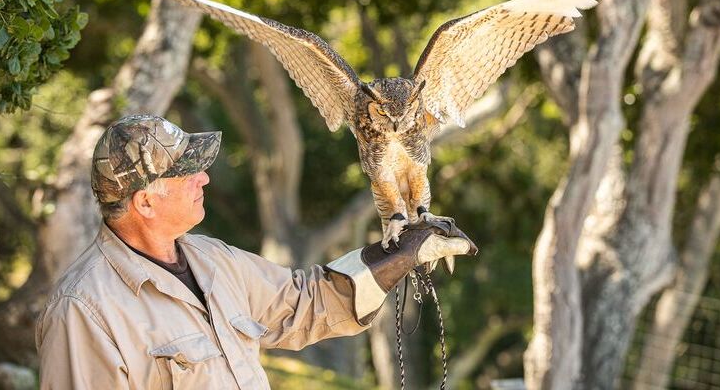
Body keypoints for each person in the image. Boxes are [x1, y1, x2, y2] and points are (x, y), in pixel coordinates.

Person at [35, 114, 477, 389]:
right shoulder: (84, 310)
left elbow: (305, 303)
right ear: (145, 201)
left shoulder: (214, 260)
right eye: (186, 173)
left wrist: (396, 257)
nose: (203, 179)